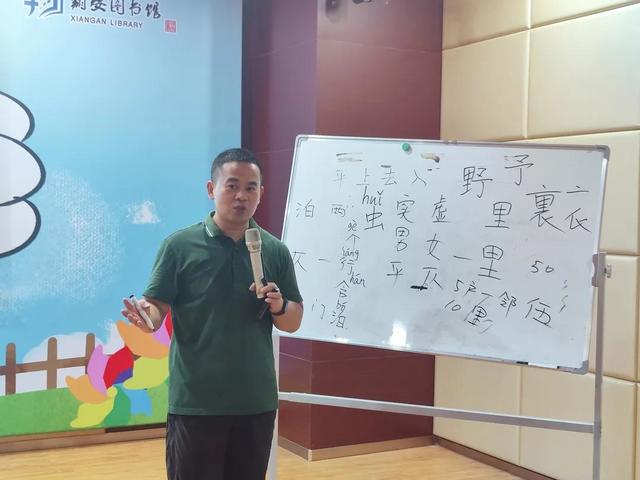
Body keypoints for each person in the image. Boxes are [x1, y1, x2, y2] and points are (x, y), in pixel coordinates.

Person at [121, 147, 303, 480]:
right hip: (197, 401)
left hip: (255, 400)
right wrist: (146, 317)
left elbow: (293, 320)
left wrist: (279, 305)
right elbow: (156, 307)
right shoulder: (179, 246)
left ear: (261, 193)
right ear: (211, 189)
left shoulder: (275, 250)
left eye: (250, 188)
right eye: (232, 185)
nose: (241, 196)